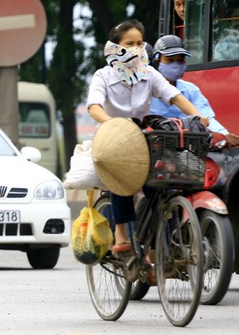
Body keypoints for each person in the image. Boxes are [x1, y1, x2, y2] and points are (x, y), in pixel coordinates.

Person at [86, 19, 208, 256]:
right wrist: (111, 122)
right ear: (115, 46)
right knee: (120, 175)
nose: (135, 48)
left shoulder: (149, 73)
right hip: (113, 140)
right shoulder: (103, 76)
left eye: (139, 43)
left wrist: (197, 115)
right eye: (128, 43)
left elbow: (173, 96)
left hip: (143, 138)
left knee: (163, 186)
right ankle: (121, 233)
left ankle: (157, 247)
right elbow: (94, 107)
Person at [149, 35, 239, 145]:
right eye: (170, 60)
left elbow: (206, 119)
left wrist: (224, 135)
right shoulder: (146, 89)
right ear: (157, 61)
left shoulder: (190, 90)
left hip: (187, 149)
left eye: (180, 60)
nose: (176, 64)